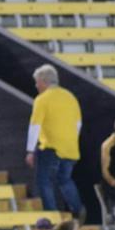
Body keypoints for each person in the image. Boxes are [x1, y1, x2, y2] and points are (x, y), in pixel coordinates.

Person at [27, 65, 83, 216]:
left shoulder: (42, 99)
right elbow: (78, 124)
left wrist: (30, 150)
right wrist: (69, 139)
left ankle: (51, 215)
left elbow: (35, 125)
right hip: (71, 148)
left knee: (44, 182)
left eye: (37, 82)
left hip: (51, 147)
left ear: (44, 81)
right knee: (65, 179)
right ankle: (78, 209)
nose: (36, 85)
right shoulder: (70, 97)